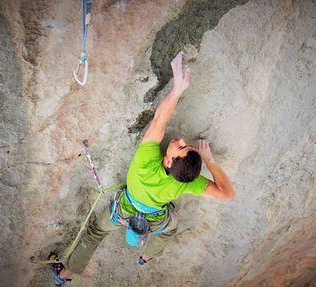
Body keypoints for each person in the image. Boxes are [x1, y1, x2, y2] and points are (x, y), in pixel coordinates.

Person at [50, 52, 235, 286]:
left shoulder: (147, 162)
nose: (180, 140)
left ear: (168, 162)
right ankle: (146, 256)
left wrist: (178, 88)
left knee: (96, 233)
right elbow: (227, 194)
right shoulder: (189, 182)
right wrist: (209, 159)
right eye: (186, 144)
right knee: (169, 230)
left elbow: (160, 121)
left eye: (179, 146)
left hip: (125, 209)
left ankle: (64, 275)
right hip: (156, 218)